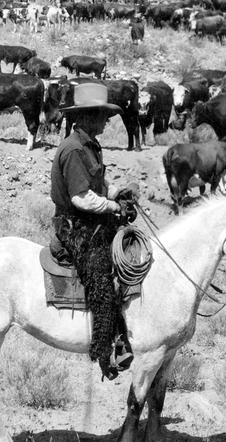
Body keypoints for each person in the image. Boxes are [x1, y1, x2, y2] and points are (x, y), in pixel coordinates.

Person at [50, 82, 137, 380]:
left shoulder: (90, 145)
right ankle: (104, 349)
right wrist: (112, 208)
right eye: (102, 115)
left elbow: (98, 184)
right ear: (87, 116)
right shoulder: (73, 149)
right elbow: (80, 197)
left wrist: (117, 193)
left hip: (90, 220)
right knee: (100, 276)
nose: (107, 120)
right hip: (74, 227)